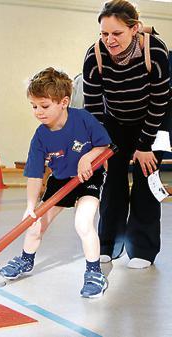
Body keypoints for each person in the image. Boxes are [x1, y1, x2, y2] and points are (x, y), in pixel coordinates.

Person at [0, 67, 112, 298]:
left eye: (44, 106)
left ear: (63, 102)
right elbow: (34, 174)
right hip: (60, 181)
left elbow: (104, 146)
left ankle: (94, 273)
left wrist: (87, 157)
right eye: (34, 106)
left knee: (83, 223)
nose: (38, 112)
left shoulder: (83, 119)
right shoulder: (40, 136)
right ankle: (26, 259)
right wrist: (30, 208)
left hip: (87, 179)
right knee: (36, 225)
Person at [83, 0, 171, 269]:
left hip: (155, 120)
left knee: (146, 182)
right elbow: (94, 107)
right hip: (115, 122)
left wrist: (144, 146)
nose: (110, 40)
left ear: (134, 29)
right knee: (112, 181)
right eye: (104, 33)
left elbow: (159, 101)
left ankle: (142, 249)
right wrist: (99, 147)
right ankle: (108, 243)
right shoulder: (94, 55)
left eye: (117, 33)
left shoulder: (155, 51)